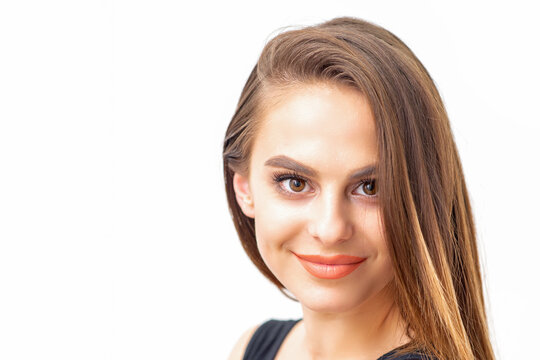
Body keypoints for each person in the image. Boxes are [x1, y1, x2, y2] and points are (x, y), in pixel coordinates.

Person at [222, 16, 495, 360]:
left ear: (424, 201)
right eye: (295, 183)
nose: (331, 229)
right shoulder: (253, 347)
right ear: (244, 189)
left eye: (370, 187)